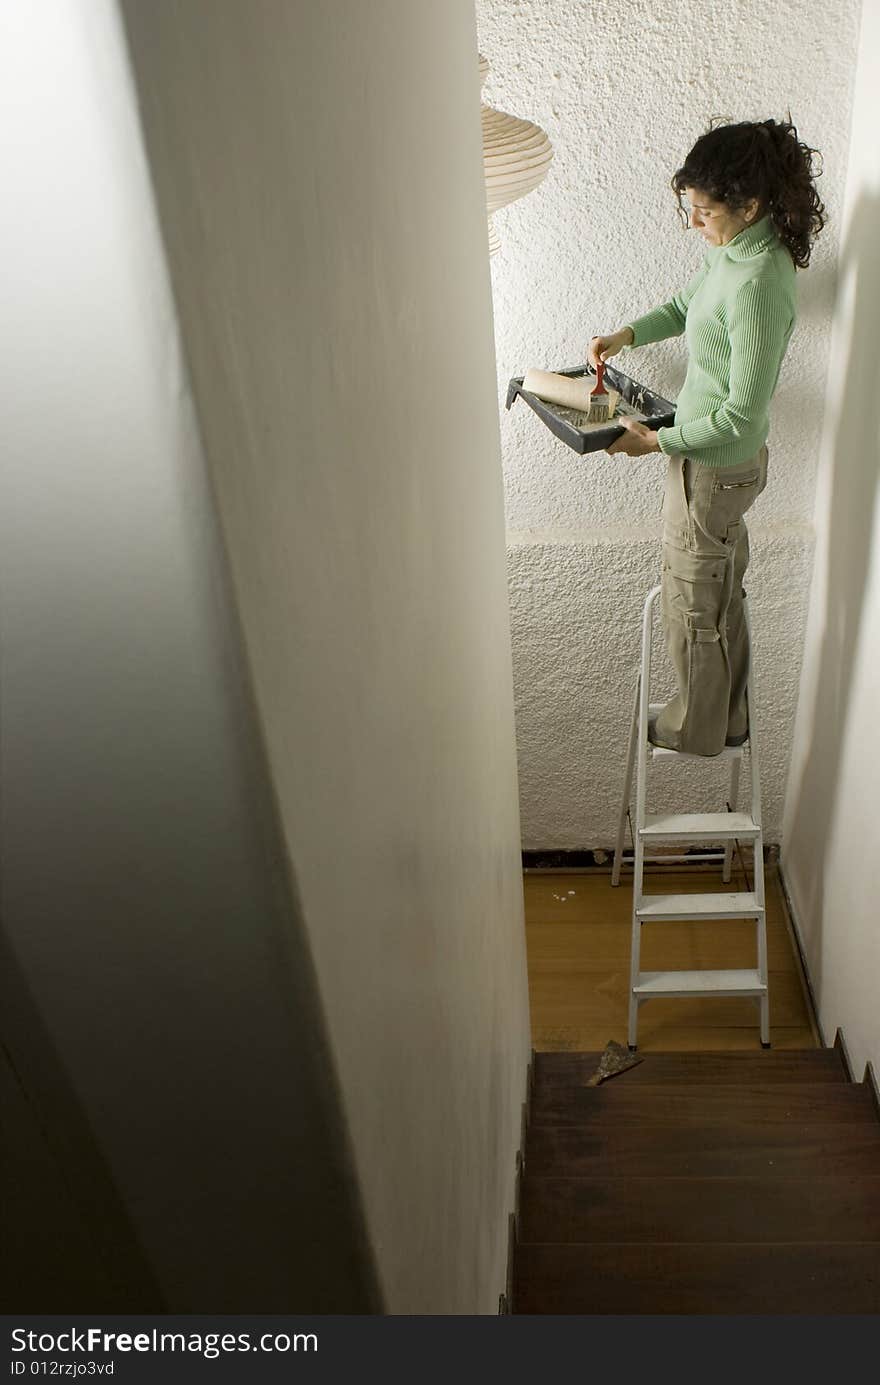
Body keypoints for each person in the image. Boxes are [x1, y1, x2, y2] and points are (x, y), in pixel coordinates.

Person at [589, 118, 825, 756]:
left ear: (747, 205)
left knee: (693, 605)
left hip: (713, 467)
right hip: (708, 460)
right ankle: (731, 713)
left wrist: (654, 443)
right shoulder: (736, 249)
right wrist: (626, 334)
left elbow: (741, 416)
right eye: (688, 207)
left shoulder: (757, 284)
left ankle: (696, 728)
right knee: (719, 595)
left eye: (703, 210)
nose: (694, 222)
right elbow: (685, 303)